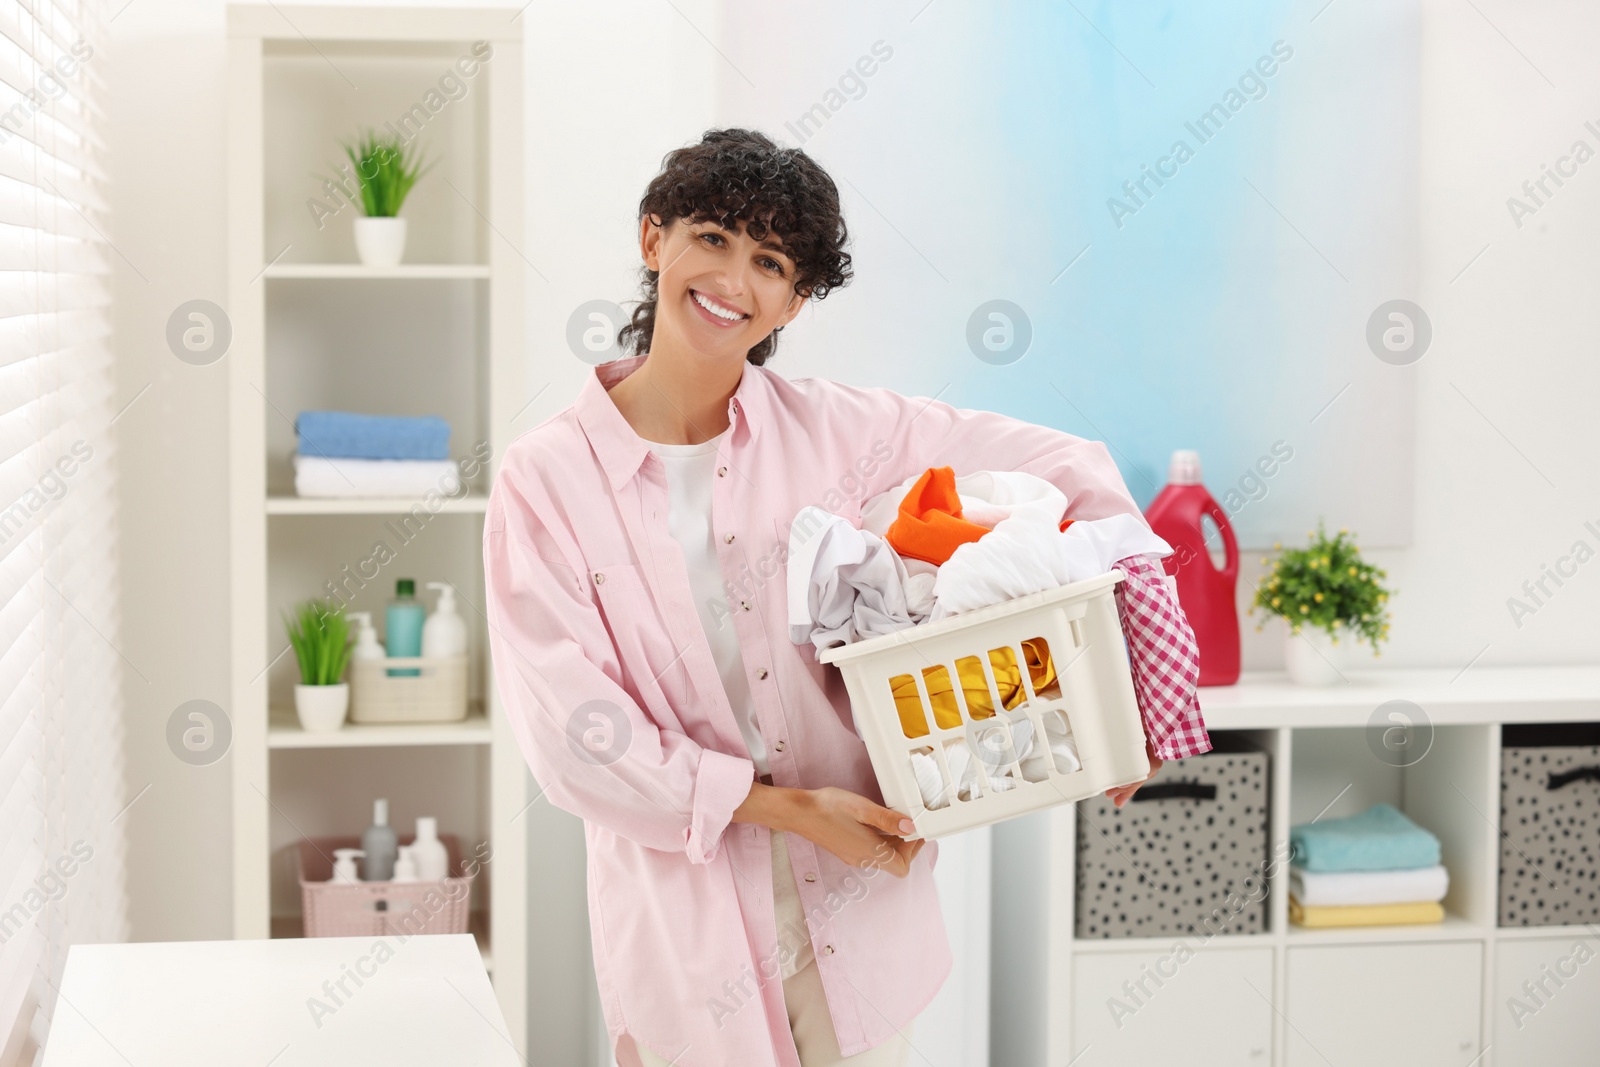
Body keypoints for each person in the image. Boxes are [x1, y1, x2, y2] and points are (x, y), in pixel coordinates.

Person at [483, 128, 1206, 1067]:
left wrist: (1140, 697)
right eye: (712, 238)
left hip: (860, 900)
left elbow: (1068, 465)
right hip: (685, 921)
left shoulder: (840, 431)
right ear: (654, 238)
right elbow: (577, 740)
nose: (733, 280)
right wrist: (786, 808)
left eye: (770, 260)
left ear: (798, 296)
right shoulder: (546, 481)